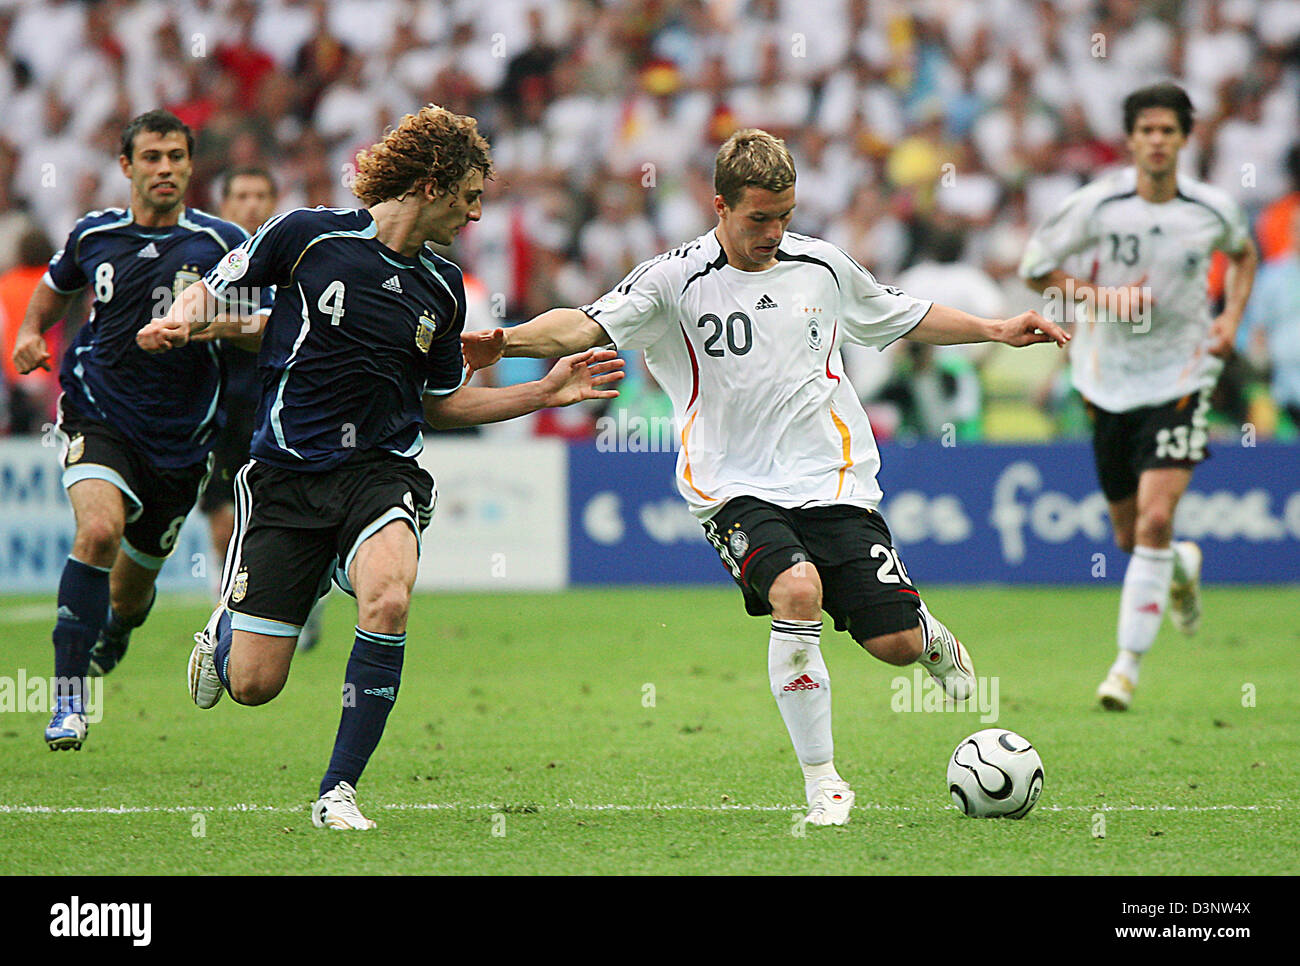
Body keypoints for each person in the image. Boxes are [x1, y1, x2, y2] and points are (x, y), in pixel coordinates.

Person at [461, 128, 1068, 826]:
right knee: (797, 589)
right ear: (720, 206)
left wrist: (995, 330)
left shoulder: (824, 268)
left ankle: (928, 635)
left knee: (893, 645)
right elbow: (581, 326)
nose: (775, 232)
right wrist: (507, 340)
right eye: (759, 218)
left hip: (832, 478)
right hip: (731, 486)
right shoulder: (673, 279)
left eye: (785, 215)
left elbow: (900, 316)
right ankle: (824, 782)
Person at [137, 105, 623, 830]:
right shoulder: (309, 235)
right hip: (286, 479)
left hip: (380, 474)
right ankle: (229, 628)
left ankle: (338, 792)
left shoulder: (444, 288)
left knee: (389, 599)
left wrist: (544, 391)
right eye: (468, 196)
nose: (476, 212)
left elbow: (439, 406)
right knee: (253, 686)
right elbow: (219, 280)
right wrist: (182, 315)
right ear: (431, 185)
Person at [11, 109, 265, 751]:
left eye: (176, 158)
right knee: (97, 531)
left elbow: (266, 323)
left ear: (189, 166)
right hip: (99, 411)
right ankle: (67, 702)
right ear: (126, 166)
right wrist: (30, 332)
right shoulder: (93, 234)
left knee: (129, 593)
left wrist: (203, 325)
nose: (165, 170)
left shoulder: (223, 243)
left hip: (182, 443)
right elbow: (53, 289)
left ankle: (119, 628)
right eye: (151, 158)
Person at [1019, 82, 1257, 711]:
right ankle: (1179, 564)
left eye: (1168, 131)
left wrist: (1230, 318)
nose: (1156, 141)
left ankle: (1124, 667)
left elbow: (1244, 256)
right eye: (1146, 130)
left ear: (1185, 139)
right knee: (1131, 539)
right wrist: (1103, 298)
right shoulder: (1098, 205)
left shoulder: (1212, 208)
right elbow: (1035, 267)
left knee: (1155, 518)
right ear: (1130, 139)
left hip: (1181, 377)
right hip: (1106, 380)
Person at [202, 166, 331, 650]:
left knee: (282, 515)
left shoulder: (292, 260)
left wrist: (220, 325)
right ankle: (233, 609)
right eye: (241, 195)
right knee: (222, 520)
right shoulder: (211, 264)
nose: (251, 205)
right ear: (226, 203)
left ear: (274, 201)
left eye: (261, 195)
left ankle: (297, 596)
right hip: (221, 411)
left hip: (282, 408)